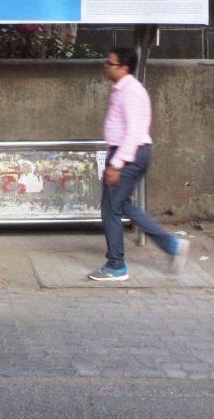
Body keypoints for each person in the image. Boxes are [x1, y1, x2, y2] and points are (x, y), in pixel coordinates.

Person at [89, 46, 189, 281]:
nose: (106, 66)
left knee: (111, 209)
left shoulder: (131, 91)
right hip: (125, 153)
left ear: (124, 67)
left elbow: (133, 132)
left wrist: (116, 164)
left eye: (110, 63)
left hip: (128, 155)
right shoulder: (121, 89)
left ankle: (116, 265)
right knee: (123, 205)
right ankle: (172, 246)